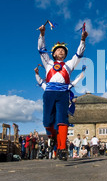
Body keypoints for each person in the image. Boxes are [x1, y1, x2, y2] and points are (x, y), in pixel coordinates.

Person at [37, 23, 88, 161]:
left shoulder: (69, 64)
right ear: (53, 54)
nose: (61, 52)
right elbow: (41, 50)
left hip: (63, 94)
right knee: (47, 122)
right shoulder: (47, 63)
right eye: (59, 50)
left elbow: (79, 54)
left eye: (63, 51)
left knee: (62, 120)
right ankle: (52, 136)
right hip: (49, 93)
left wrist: (82, 40)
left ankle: (61, 149)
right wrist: (42, 35)